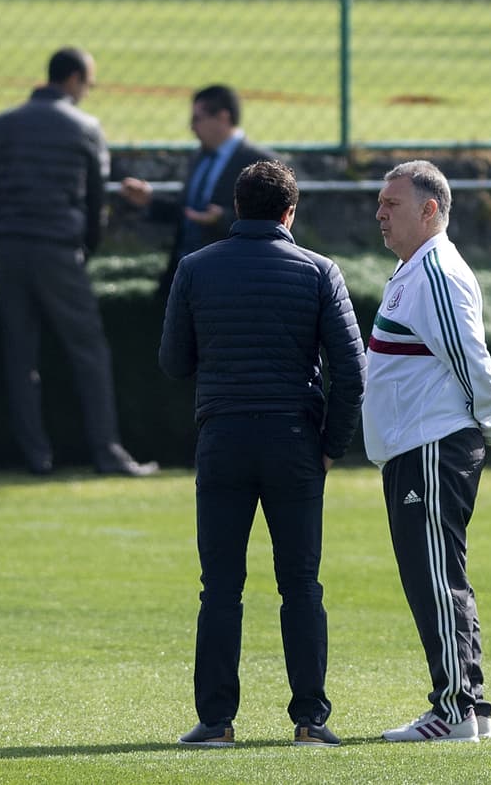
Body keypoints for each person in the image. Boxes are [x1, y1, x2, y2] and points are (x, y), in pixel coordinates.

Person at [159, 160, 367, 748]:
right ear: (289, 212)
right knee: (300, 583)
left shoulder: (196, 269)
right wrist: (332, 447)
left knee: (219, 586)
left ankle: (216, 721)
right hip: (294, 441)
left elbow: (174, 362)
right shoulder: (320, 272)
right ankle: (310, 719)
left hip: (222, 436)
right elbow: (351, 373)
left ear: (235, 206)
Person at [362, 160, 491, 743]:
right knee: (434, 573)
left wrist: (489, 418)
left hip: (431, 446)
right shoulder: (414, 269)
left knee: (434, 576)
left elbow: (468, 355)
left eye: (392, 203)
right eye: (380, 202)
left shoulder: (435, 270)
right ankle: (467, 706)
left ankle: (454, 709)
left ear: (430, 210)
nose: (379, 213)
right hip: (413, 446)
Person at [0, 46, 157, 477]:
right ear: (73, 79)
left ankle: (36, 455)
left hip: (10, 247)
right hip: (58, 248)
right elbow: (97, 201)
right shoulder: (85, 128)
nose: (88, 92)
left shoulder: (3, 124)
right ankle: (106, 450)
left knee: (21, 356)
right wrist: (86, 247)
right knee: (88, 350)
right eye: (89, 83)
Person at [119, 84, 278, 297]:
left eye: (197, 119)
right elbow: (187, 211)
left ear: (223, 117)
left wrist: (223, 219)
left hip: (228, 279)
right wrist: (149, 201)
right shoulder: (199, 157)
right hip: (185, 274)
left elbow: (272, 223)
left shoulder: (259, 162)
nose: (191, 127)